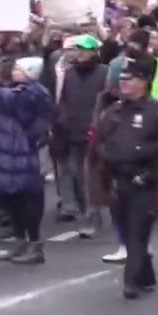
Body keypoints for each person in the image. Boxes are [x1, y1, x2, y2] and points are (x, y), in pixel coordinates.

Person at [94, 56, 158, 300]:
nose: (124, 83)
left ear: (143, 82)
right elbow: (100, 139)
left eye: (129, 79)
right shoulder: (114, 111)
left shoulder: (156, 111)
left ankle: (130, 281)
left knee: (138, 231)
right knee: (127, 227)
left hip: (145, 179)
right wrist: (108, 158)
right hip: (117, 179)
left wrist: (142, 152)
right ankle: (146, 274)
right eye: (121, 79)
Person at [0, 56, 54, 264]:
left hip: (23, 153)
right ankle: (20, 242)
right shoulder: (19, 89)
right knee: (11, 198)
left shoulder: (32, 92)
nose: (14, 70)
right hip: (8, 153)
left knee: (28, 198)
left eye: (19, 68)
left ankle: (35, 245)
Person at [53, 34, 107, 222]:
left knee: (89, 172)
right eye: (78, 49)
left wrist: (100, 123)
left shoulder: (103, 72)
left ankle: (92, 210)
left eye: (85, 49)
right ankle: (78, 207)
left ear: (94, 51)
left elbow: (108, 101)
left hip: (94, 130)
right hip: (71, 128)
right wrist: (62, 120)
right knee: (72, 170)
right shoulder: (70, 73)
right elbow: (64, 99)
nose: (81, 53)